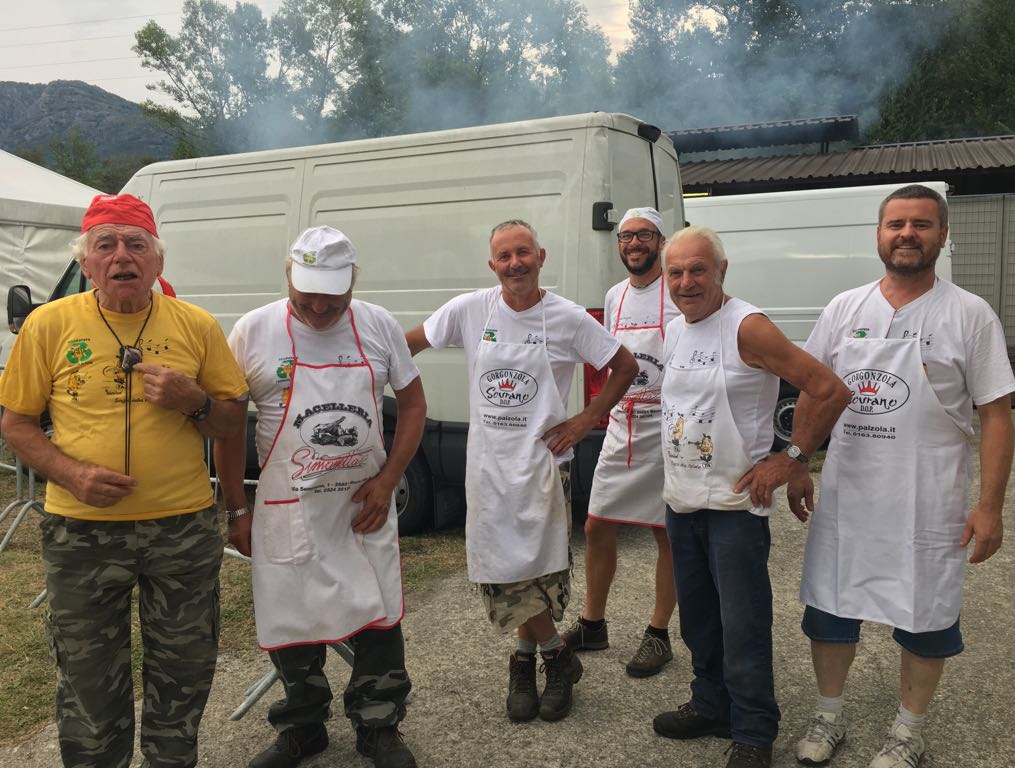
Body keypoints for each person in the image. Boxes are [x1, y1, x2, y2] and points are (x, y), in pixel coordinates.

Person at [0, 193, 249, 768]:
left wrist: (193, 401)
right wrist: (71, 473)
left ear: (158, 260)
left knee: (184, 670)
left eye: (136, 244)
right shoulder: (48, 324)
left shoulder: (196, 325)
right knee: (88, 678)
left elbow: (233, 423)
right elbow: (16, 424)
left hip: (181, 531)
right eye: (105, 245)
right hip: (81, 533)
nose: (121, 256)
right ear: (85, 262)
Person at [790, 184, 1015, 768]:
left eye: (921, 224)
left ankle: (907, 730)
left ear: (943, 234)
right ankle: (829, 715)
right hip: (849, 496)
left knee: (927, 614)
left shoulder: (969, 313)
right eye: (896, 224)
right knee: (830, 608)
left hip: (927, 498)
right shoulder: (845, 308)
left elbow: (996, 415)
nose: (907, 234)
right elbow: (814, 390)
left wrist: (990, 506)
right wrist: (797, 460)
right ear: (879, 234)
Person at [405, 219, 637, 723]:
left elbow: (625, 366)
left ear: (541, 256)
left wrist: (585, 420)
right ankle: (554, 657)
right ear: (492, 265)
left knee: (536, 570)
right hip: (488, 467)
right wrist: (353, 363)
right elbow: (408, 344)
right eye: (505, 256)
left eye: (523, 253)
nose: (515, 264)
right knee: (500, 570)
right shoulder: (470, 309)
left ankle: (528, 661)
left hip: (541, 467)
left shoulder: (568, 317)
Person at [213, 226, 427, 768]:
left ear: (353, 281)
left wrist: (389, 480)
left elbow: (414, 405)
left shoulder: (378, 325)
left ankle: (378, 725)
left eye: (333, 296)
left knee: (377, 615)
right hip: (288, 507)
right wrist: (236, 507)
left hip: (361, 506)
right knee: (292, 616)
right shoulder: (254, 331)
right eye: (306, 294)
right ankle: (302, 726)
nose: (318, 307)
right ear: (288, 276)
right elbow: (229, 428)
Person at [653, 226, 850, 768]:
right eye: (676, 272)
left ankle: (754, 731)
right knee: (698, 621)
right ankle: (710, 705)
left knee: (742, 625)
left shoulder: (747, 326)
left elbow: (829, 388)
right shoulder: (676, 329)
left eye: (698, 269)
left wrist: (792, 457)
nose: (687, 282)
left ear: (721, 271)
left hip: (734, 510)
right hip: (682, 502)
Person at [562, 207, 680, 678]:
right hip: (623, 426)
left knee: (666, 532)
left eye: (644, 235)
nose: (634, 244)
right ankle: (593, 623)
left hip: (668, 430)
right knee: (596, 525)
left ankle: (658, 633)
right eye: (627, 236)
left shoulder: (677, 289)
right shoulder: (615, 296)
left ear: (661, 242)